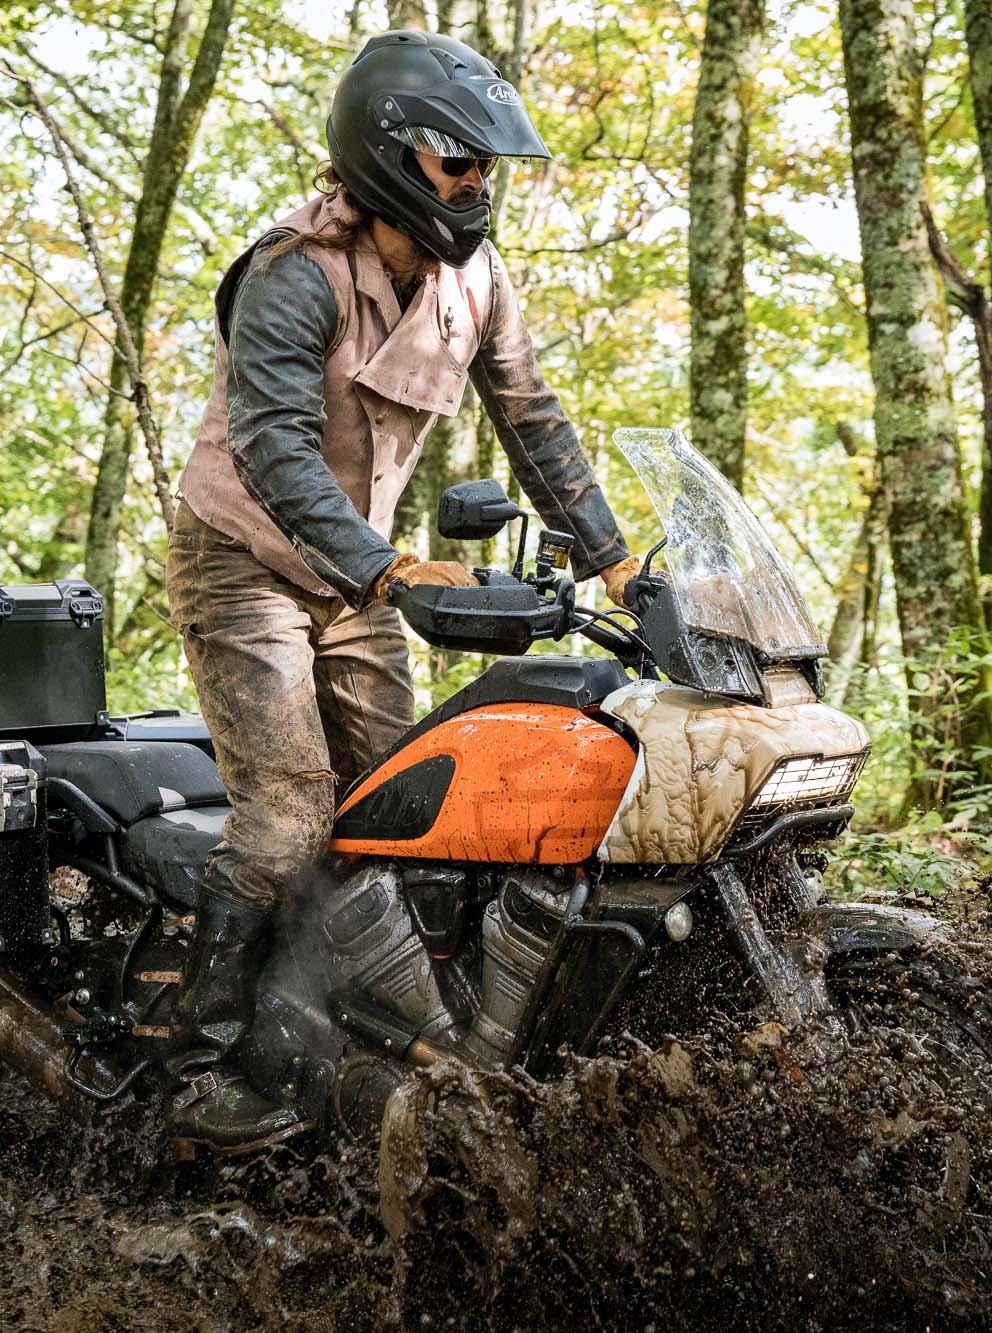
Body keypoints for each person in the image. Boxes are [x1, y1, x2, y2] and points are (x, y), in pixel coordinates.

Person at [162, 28, 643, 1154]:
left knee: (413, 815)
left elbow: (533, 420)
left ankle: (363, 1026)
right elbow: (273, 450)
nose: (477, 184)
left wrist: (618, 561)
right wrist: (390, 567)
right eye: (456, 161)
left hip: (357, 576)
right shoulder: (293, 273)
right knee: (288, 815)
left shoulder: (474, 282)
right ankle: (201, 1062)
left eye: (484, 166)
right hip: (243, 563)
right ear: (386, 155)